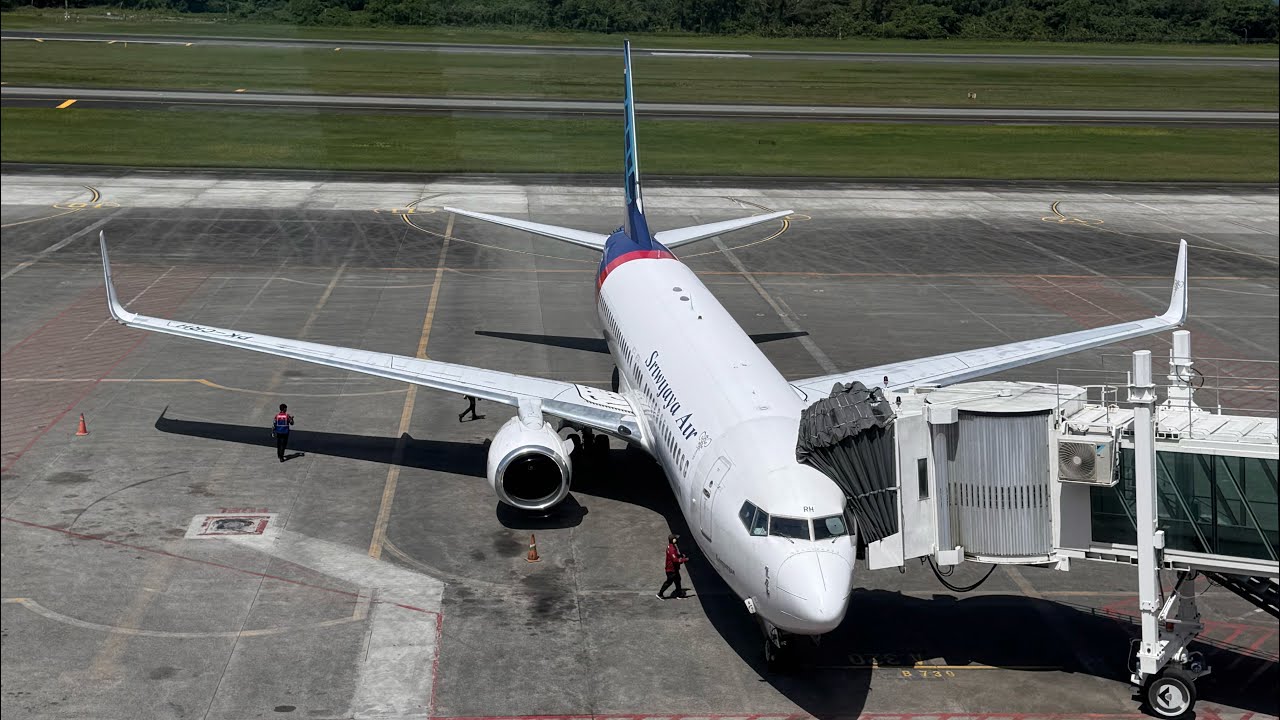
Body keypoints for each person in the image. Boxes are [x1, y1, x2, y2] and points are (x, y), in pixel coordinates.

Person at [657, 533, 689, 599]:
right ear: (673, 540)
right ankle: (660, 594)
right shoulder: (671, 549)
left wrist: (680, 555)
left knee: (678, 580)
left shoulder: (672, 547)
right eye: (676, 539)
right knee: (669, 582)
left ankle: (679, 594)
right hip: (671, 570)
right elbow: (675, 560)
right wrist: (684, 559)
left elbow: (675, 556)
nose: (677, 540)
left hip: (674, 569)